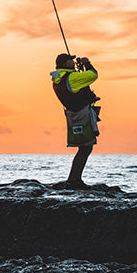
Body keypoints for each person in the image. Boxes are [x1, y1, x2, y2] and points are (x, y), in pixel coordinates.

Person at [50, 53, 101, 188]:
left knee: (83, 147)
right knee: (86, 147)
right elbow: (93, 75)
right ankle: (74, 179)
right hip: (82, 114)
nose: (73, 62)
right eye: (71, 61)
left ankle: (74, 178)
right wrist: (86, 63)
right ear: (66, 63)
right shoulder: (71, 78)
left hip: (73, 114)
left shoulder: (58, 79)